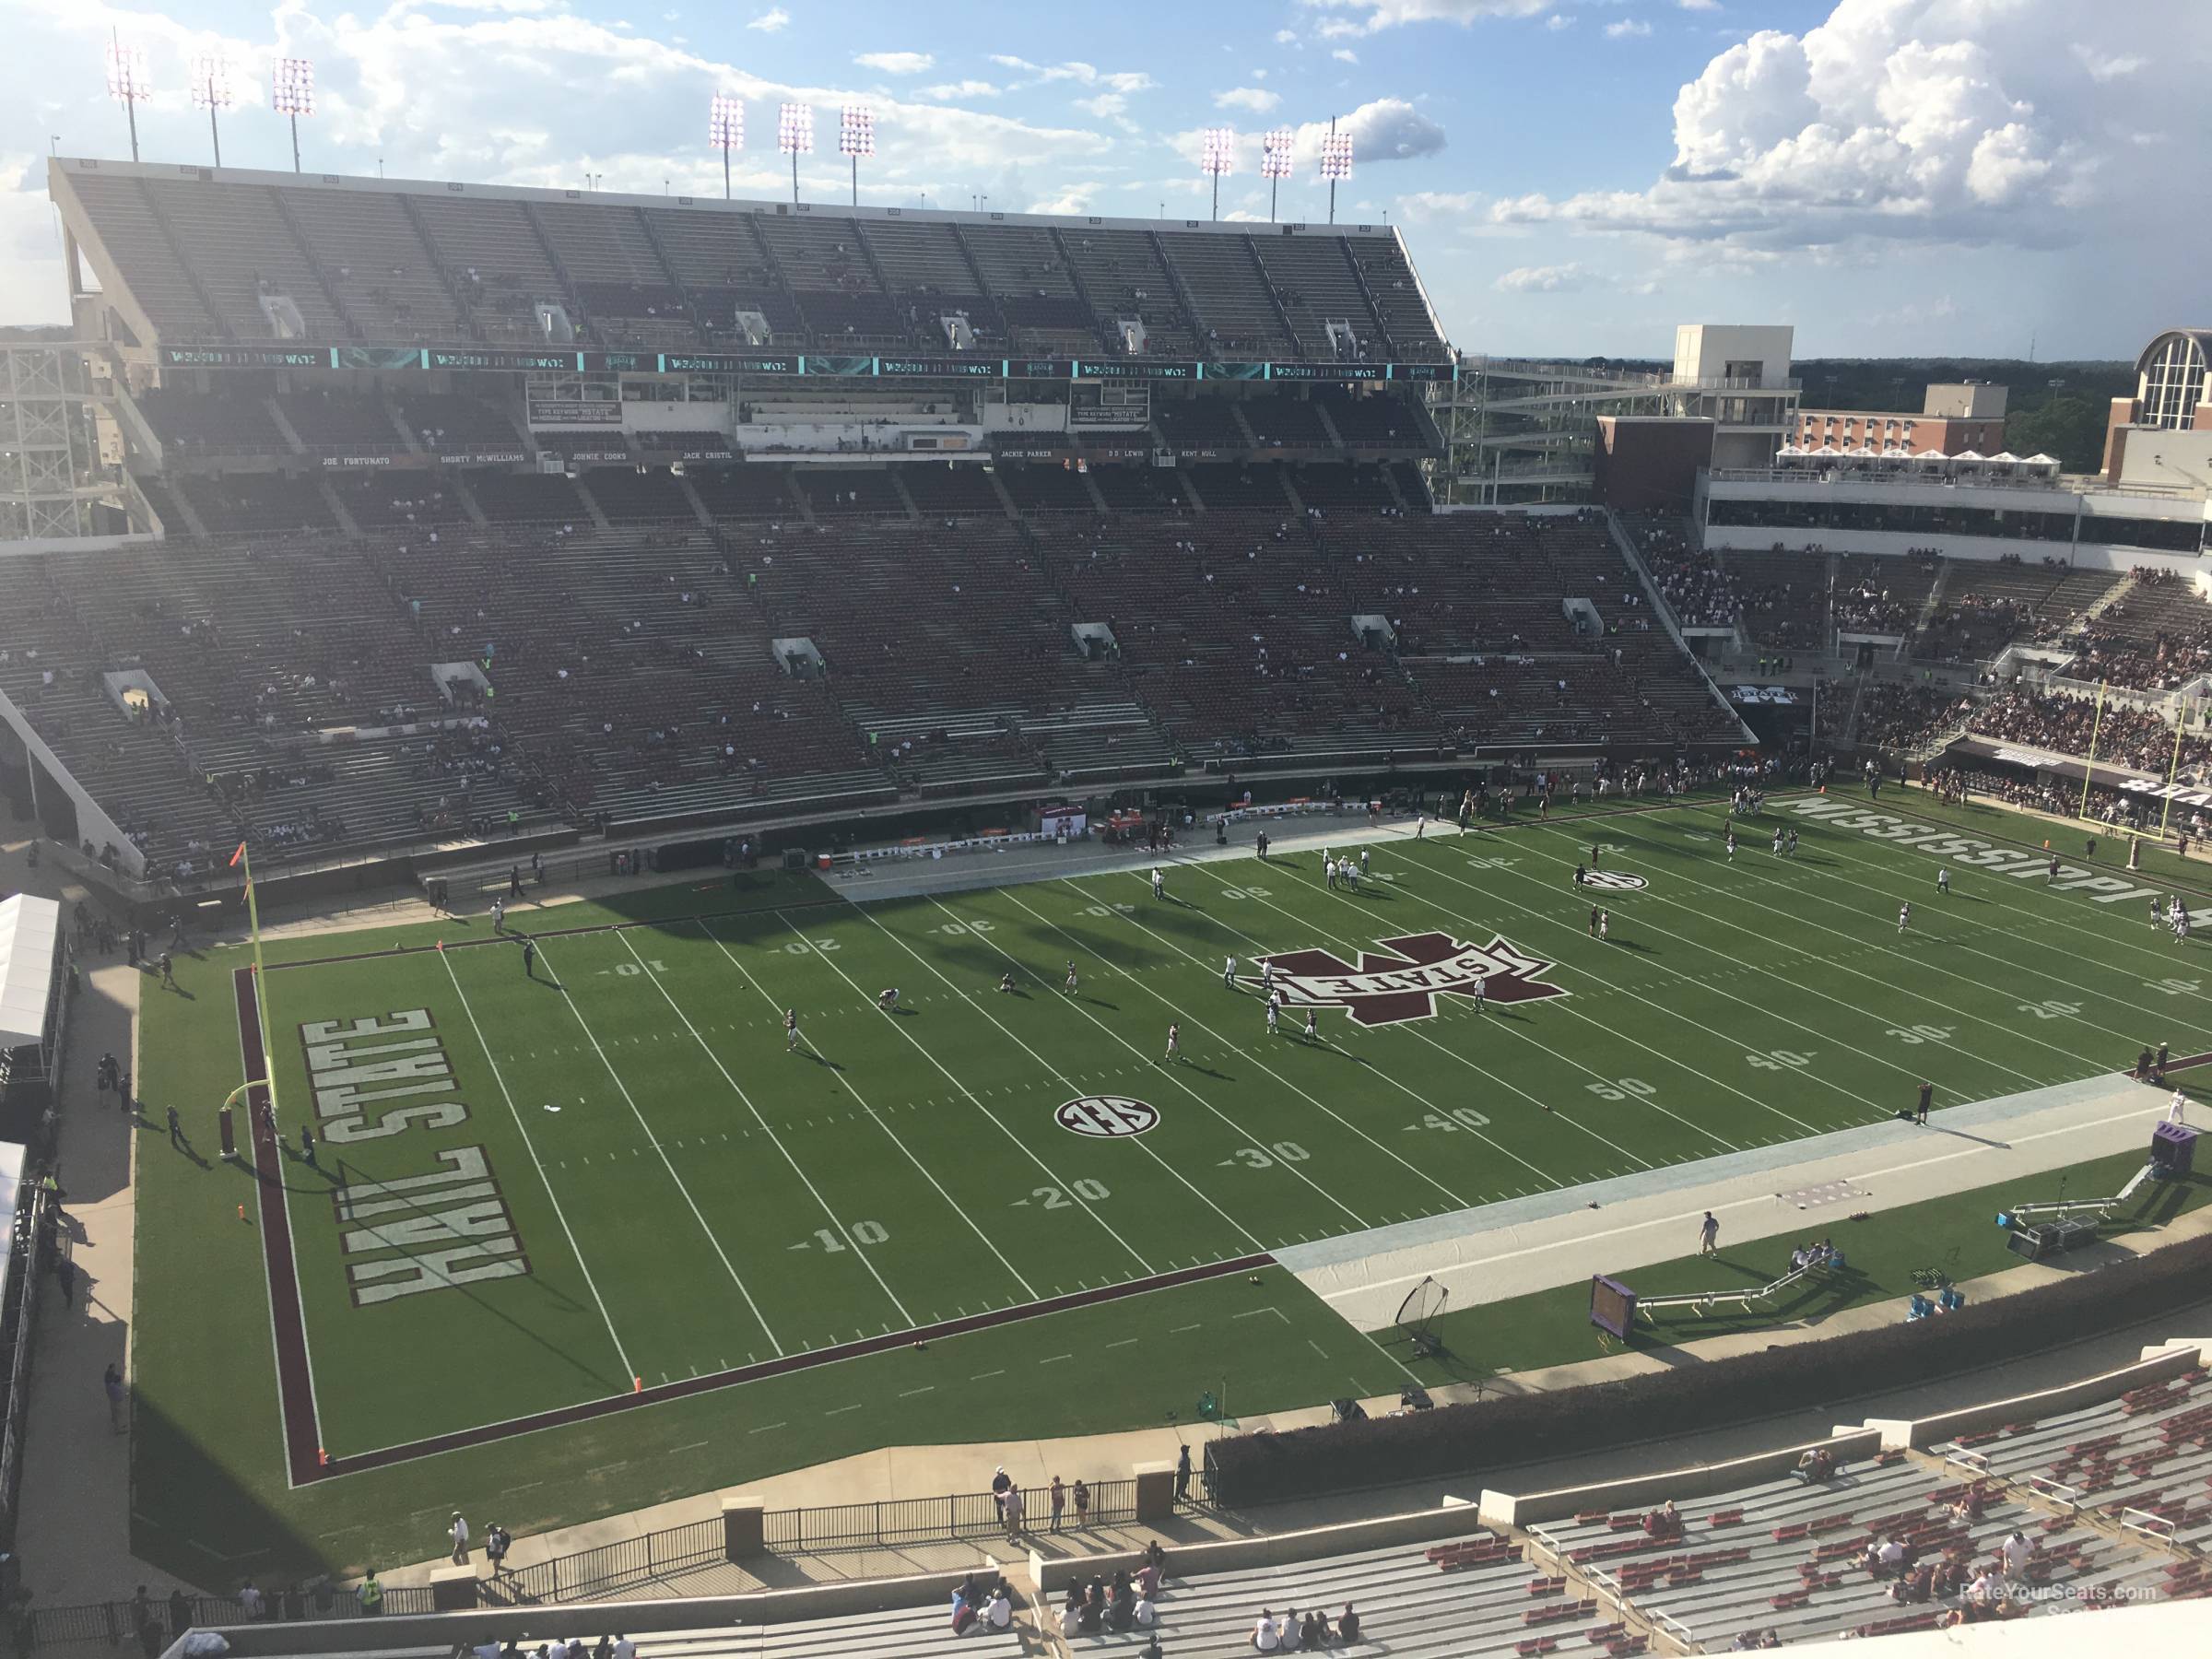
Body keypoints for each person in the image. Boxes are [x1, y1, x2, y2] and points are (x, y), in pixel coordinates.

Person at [105, 1363, 127, 1430]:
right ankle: (118, 1428)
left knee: (115, 1411)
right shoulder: (114, 1386)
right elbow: (118, 1394)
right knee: (118, 1412)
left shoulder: (108, 1375)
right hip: (116, 1399)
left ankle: (117, 1422)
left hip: (112, 1397)